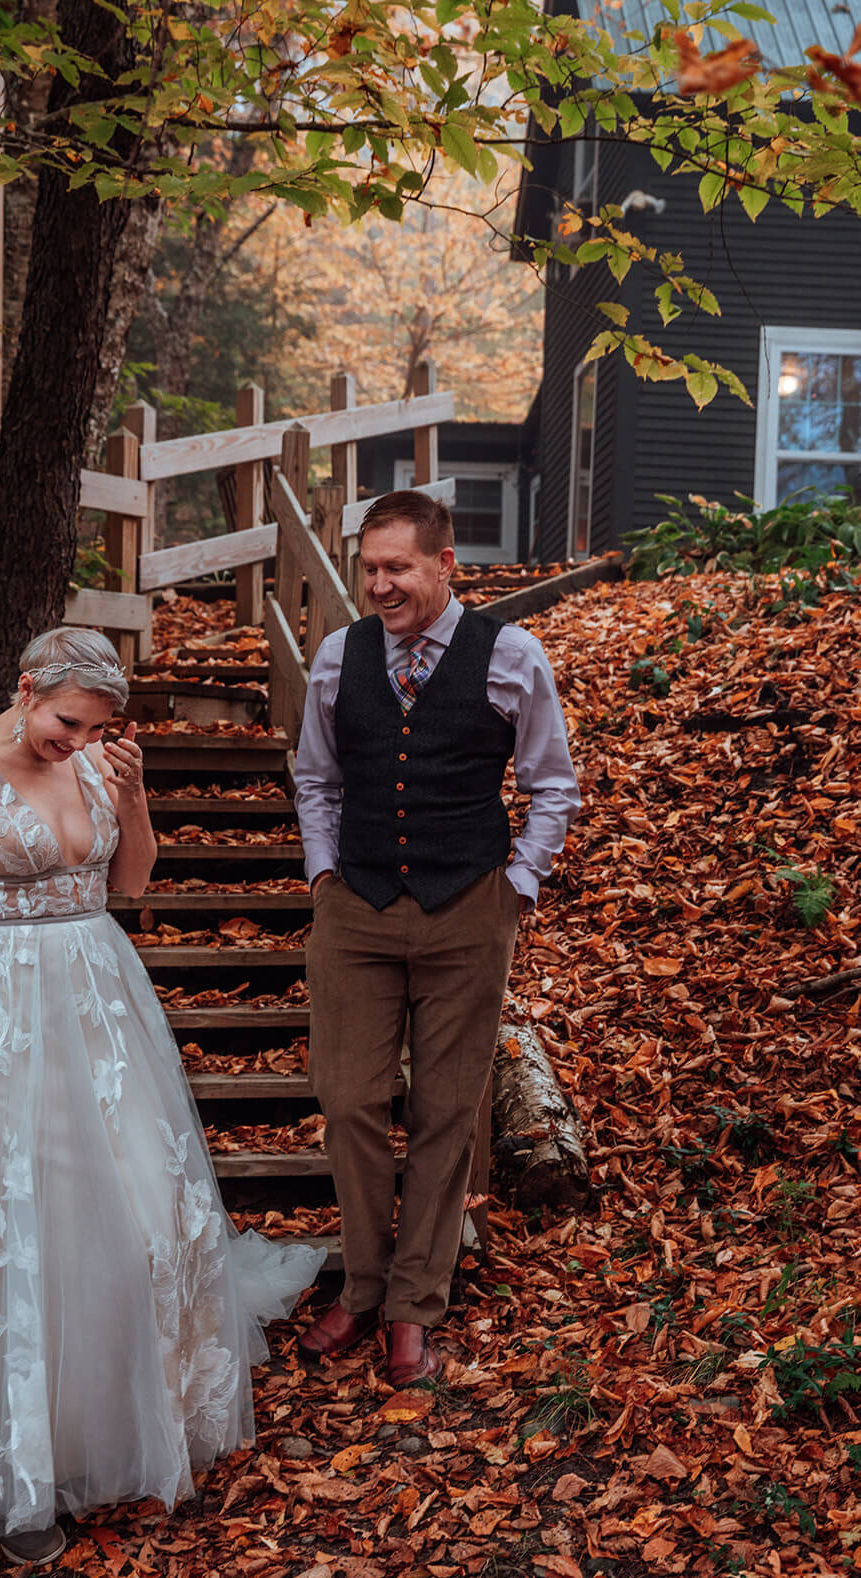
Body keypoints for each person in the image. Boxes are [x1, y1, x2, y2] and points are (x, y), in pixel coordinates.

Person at [0, 627, 324, 1578]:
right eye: (67, 722)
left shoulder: (100, 762)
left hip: (101, 1001)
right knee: (5, 1220)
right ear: (26, 689)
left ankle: (98, 1428)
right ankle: (1, 1468)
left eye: (97, 728)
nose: (77, 741)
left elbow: (133, 884)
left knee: (128, 1210)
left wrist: (134, 790)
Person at [293, 491, 580, 1387]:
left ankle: (416, 1303)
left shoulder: (511, 657)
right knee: (347, 1101)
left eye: (396, 567)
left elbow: (552, 785)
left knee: (447, 1112)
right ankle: (365, 1283)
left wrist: (516, 887)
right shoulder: (340, 657)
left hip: (467, 907)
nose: (379, 584)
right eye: (368, 568)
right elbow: (315, 779)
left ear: (445, 564)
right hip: (357, 909)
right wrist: (323, 874)